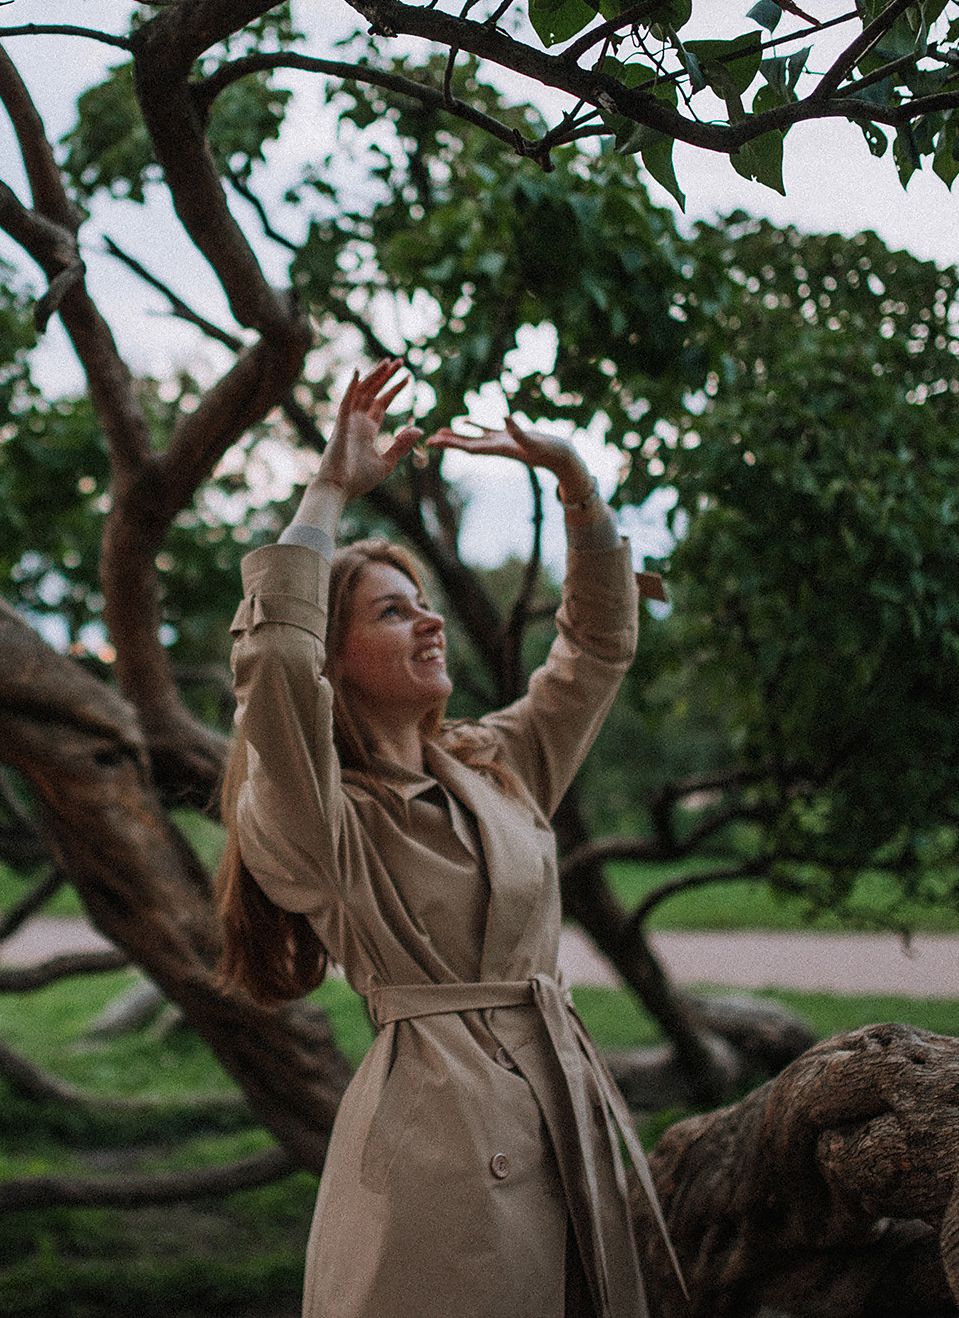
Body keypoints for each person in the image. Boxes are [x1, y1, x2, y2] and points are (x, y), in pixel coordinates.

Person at [218, 358, 674, 1318]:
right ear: (333, 657)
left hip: (562, 1118)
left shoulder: (493, 764)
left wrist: (578, 490)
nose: (430, 620)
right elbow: (273, 658)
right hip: (436, 1163)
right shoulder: (313, 814)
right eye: (393, 610)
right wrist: (330, 488)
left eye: (423, 602)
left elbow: (594, 651)